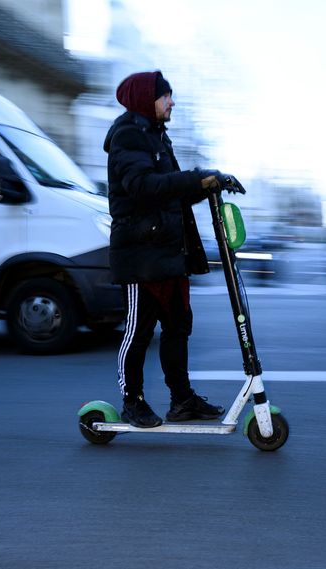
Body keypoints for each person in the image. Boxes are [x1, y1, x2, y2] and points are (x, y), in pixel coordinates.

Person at [102, 70, 241, 428]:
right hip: (141, 254)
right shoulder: (128, 135)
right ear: (146, 99)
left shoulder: (156, 137)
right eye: (166, 96)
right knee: (139, 331)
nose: (172, 102)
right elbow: (144, 187)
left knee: (178, 327)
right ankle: (132, 401)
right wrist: (196, 177)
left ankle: (182, 400)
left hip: (168, 251)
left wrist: (212, 181)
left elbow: (173, 191)